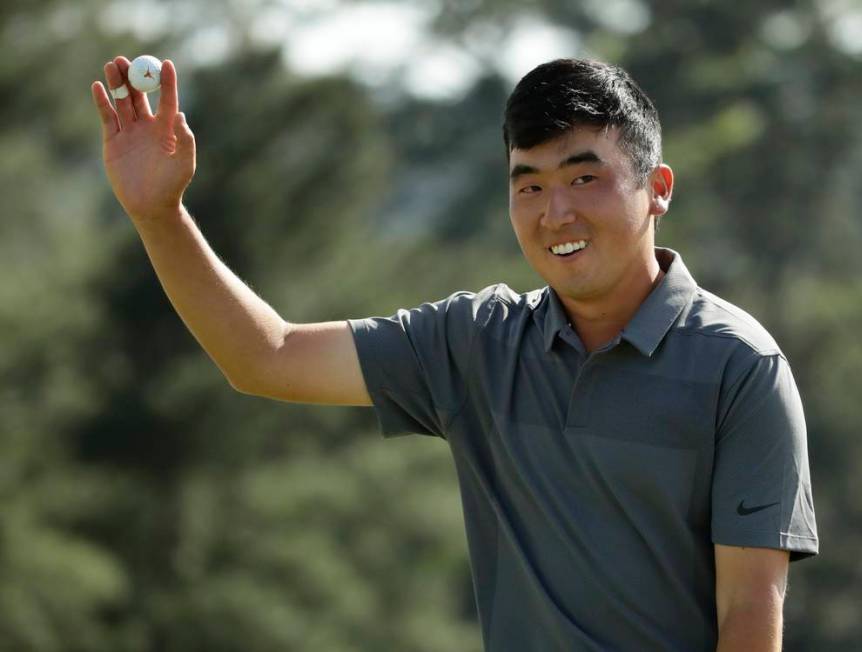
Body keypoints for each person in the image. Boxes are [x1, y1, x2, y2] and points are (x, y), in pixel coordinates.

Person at [91, 56, 818, 651]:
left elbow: (751, 616)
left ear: (656, 188)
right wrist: (161, 215)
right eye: (528, 185)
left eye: (583, 178)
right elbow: (265, 356)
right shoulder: (474, 343)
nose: (554, 212)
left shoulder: (739, 368)